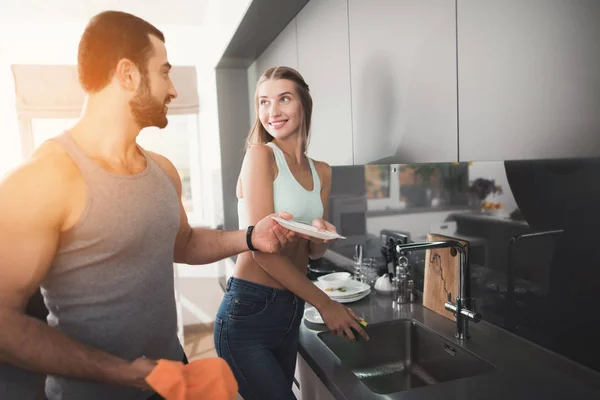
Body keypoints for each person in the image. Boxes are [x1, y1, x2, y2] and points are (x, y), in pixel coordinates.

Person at [0, 11, 298, 400]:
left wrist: (251, 237)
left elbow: (184, 243)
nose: (172, 89)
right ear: (128, 74)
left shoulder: (163, 170)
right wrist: (123, 373)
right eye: (164, 72)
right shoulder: (44, 178)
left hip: (169, 381)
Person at [214, 66, 370, 400]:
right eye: (264, 102)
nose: (272, 112)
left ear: (304, 104)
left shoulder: (321, 171)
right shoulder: (261, 156)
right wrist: (325, 304)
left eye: (284, 99)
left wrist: (319, 237)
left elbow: (313, 255)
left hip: (290, 309)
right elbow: (261, 249)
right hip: (249, 311)